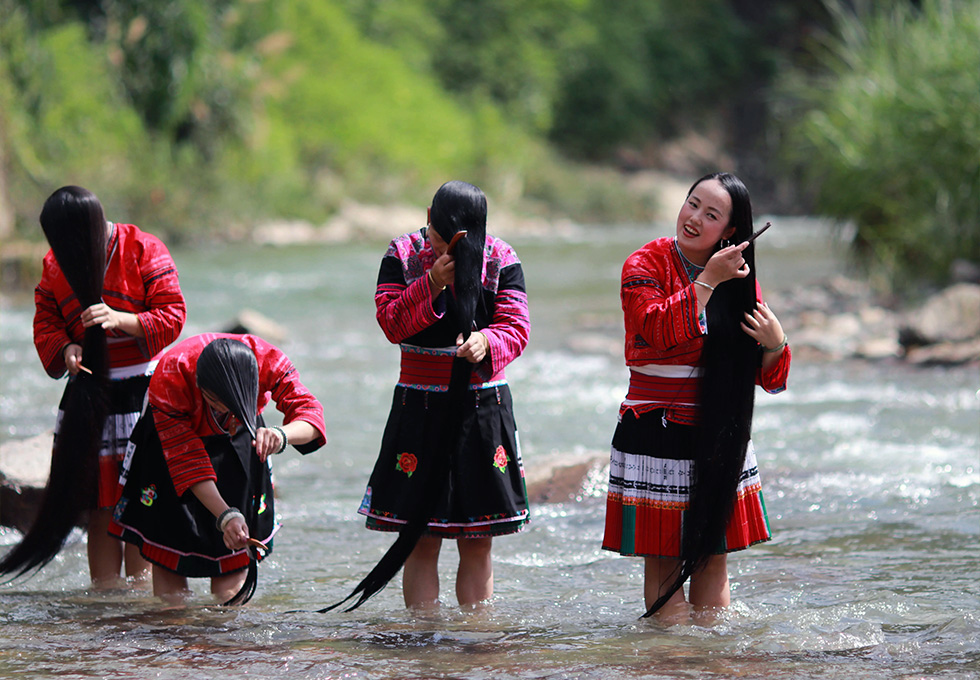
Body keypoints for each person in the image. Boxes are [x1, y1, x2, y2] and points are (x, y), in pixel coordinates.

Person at [602, 172, 791, 625]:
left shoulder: (739, 277)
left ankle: (712, 665)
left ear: (730, 231)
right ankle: (674, 666)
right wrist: (708, 279)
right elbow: (658, 330)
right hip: (655, 429)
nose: (693, 218)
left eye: (711, 214)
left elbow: (765, 380)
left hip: (720, 430)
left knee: (714, 558)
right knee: (665, 566)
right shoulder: (644, 264)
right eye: (691, 204)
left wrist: (777, 344)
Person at [350, 180, 531, 610]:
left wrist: (487, 342)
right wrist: (430, 281)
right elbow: (391, 323)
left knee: (477, 540)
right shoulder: (401, 254)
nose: (440, 244)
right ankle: (422, 642)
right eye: (436, 235)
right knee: (421, 539)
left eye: (453, 240)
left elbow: (518, 327)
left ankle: (474, 641)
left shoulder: (501, 257)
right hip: (419, 405)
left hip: (483, 407)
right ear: (428, 217)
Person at [3, 185, 186, 587]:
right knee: (99, 503)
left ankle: (139, 596)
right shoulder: (55, 266)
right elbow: (46, 321)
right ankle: (105, 595)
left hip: (142, 392)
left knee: (143, 497)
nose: (64, 249)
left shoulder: (143, 248)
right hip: (88, 395)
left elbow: (172, 313)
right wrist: (66, 347)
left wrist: (122, 320)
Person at [108, 333, 326, 604]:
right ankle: (172, 633)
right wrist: (226, 515)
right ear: (198, 385)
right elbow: (188, 463)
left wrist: (281, 435)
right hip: (173, 443)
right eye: (215, 402)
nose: (223, 410)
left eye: (228, 404)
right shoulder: (172, 375)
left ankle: (229, 641)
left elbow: (311, 415)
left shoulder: (269, 362)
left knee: (232, 573)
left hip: (243, 433)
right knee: (170, 558)